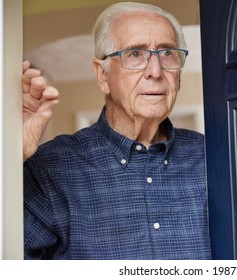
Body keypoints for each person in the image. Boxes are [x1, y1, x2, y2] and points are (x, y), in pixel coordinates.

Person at [22, 2, 211, 260]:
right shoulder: (47, 169)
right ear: (102, 75)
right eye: (135, 54)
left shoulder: (212, 156)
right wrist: (8, 156)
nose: (155, 72)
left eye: (167, 53)